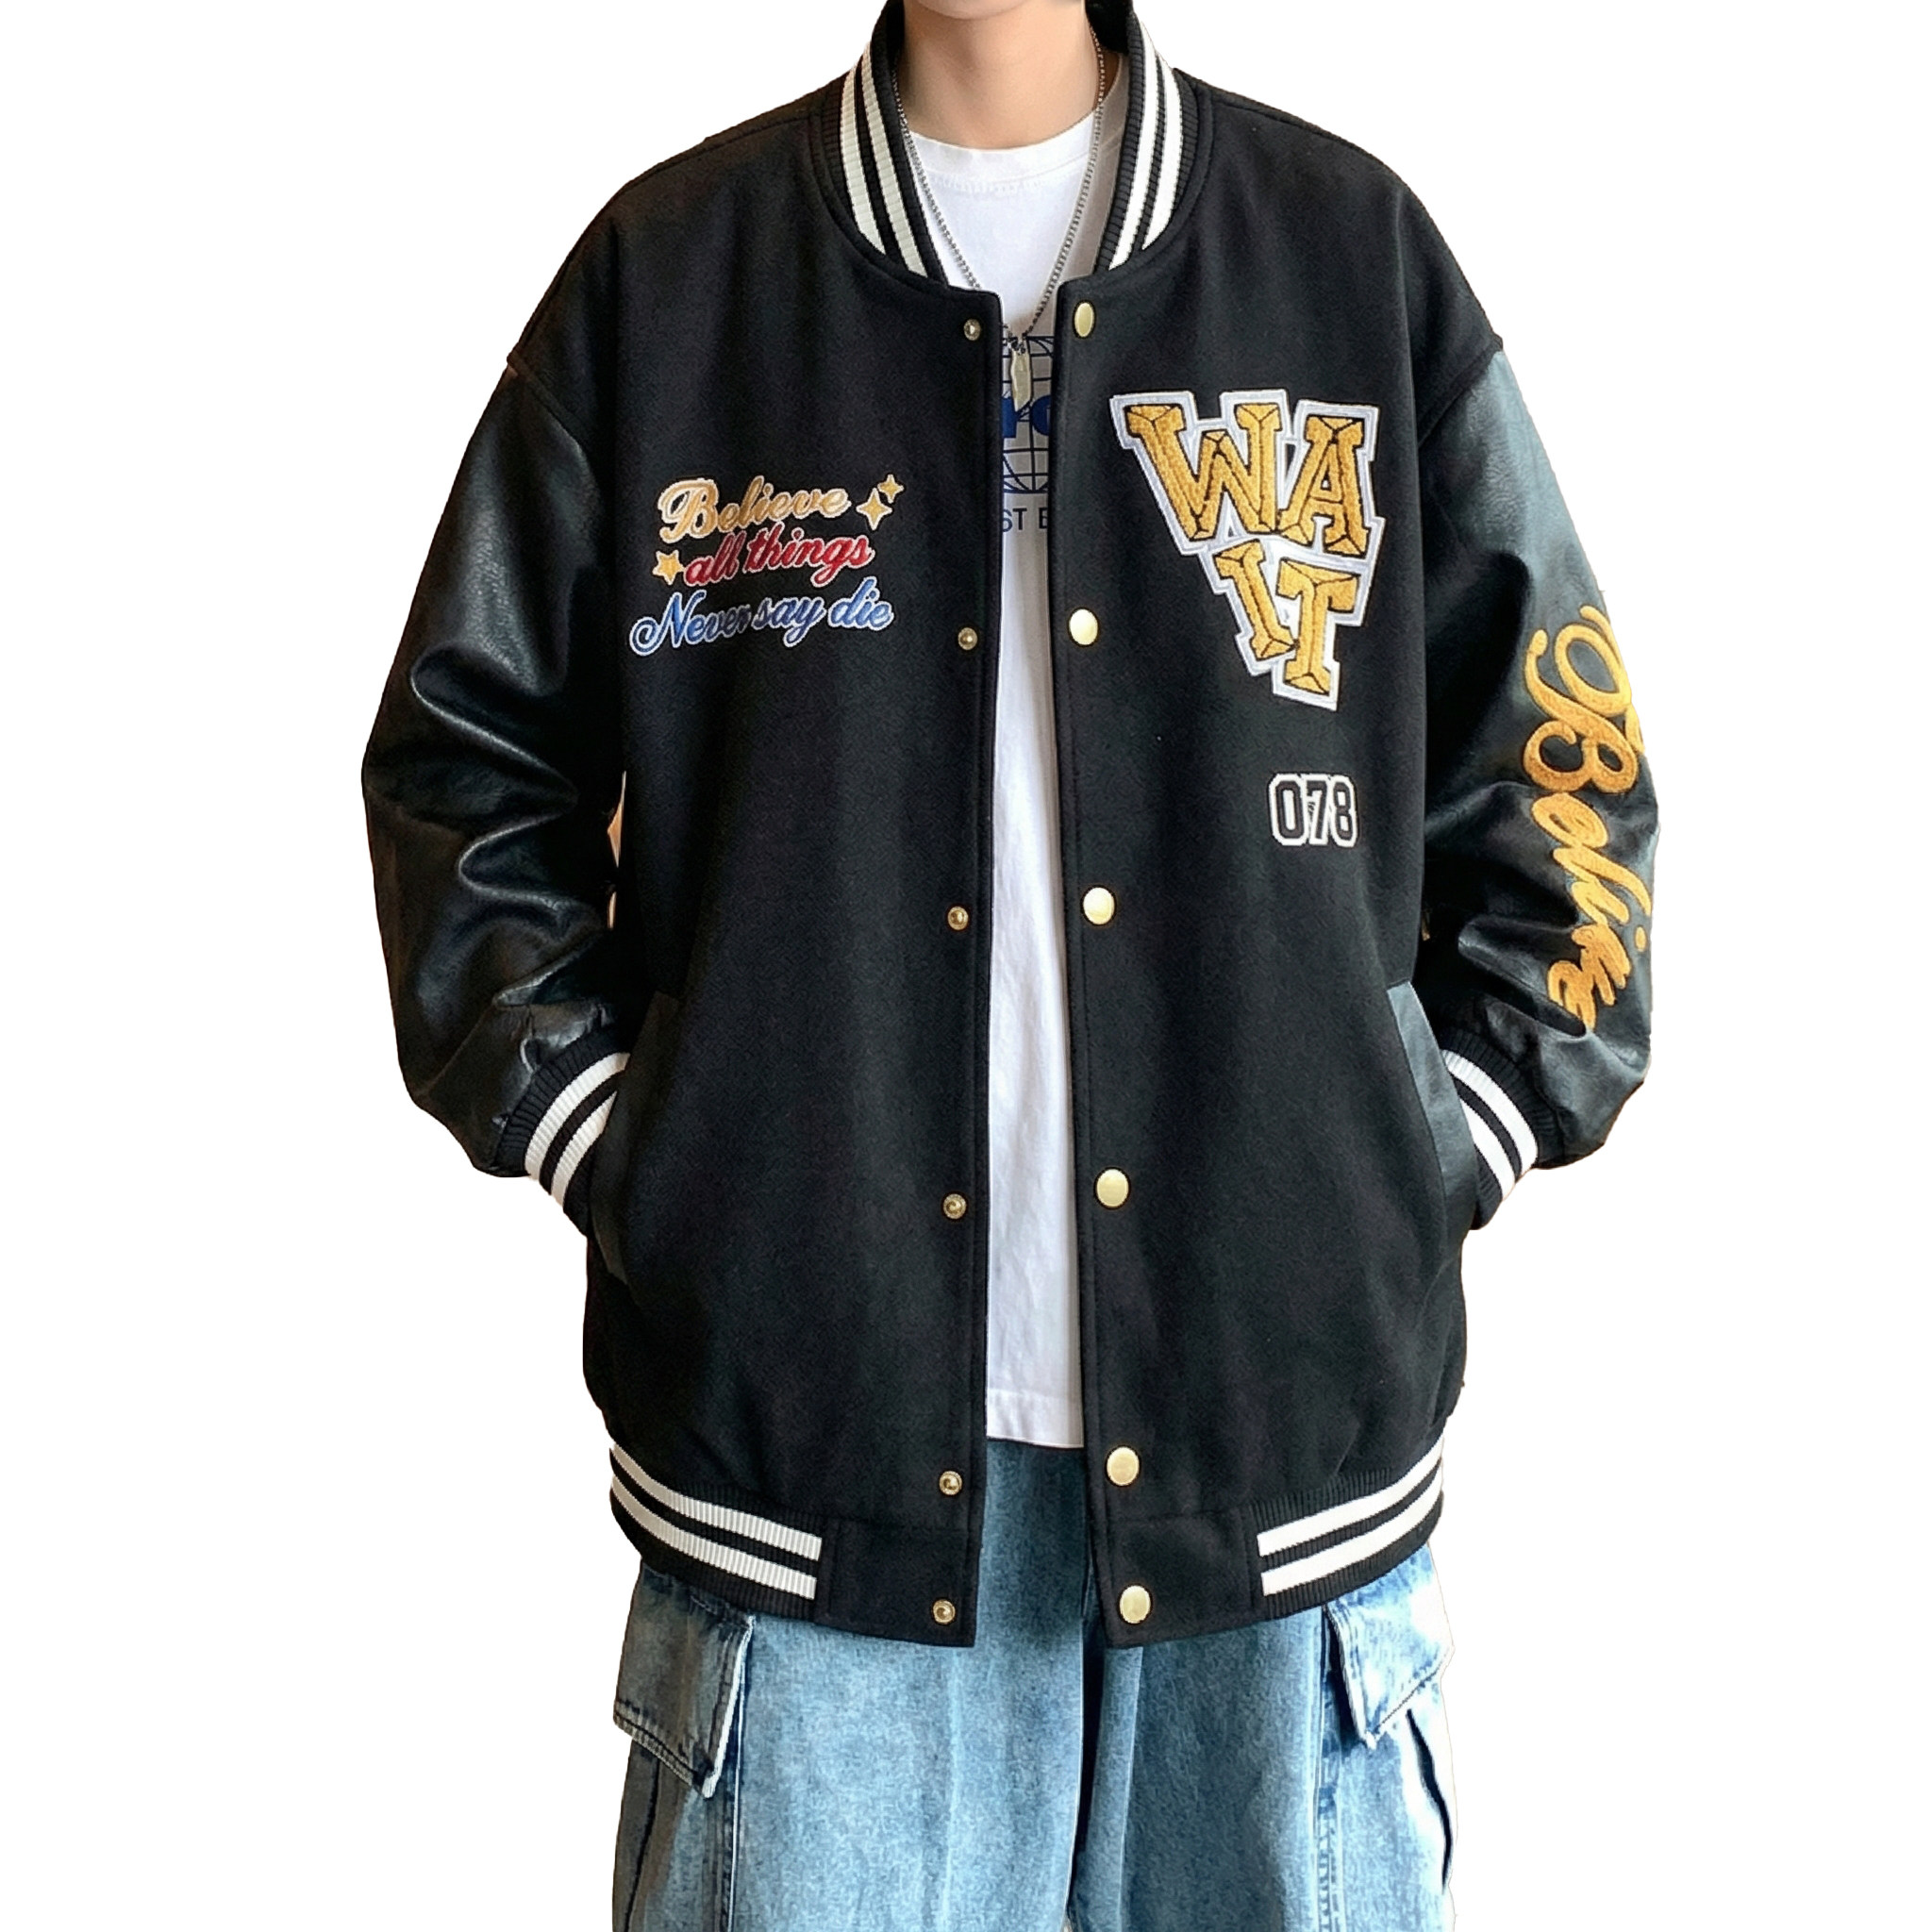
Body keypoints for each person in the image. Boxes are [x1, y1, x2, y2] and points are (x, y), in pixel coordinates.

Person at [361, 0, 1657, 1924]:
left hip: (1276, 1475)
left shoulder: (1345, 254)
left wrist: (1411, 1149)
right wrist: (641, 1150)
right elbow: (464, 771)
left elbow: (1569, 777)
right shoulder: (677, 276)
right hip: (809, 1480)